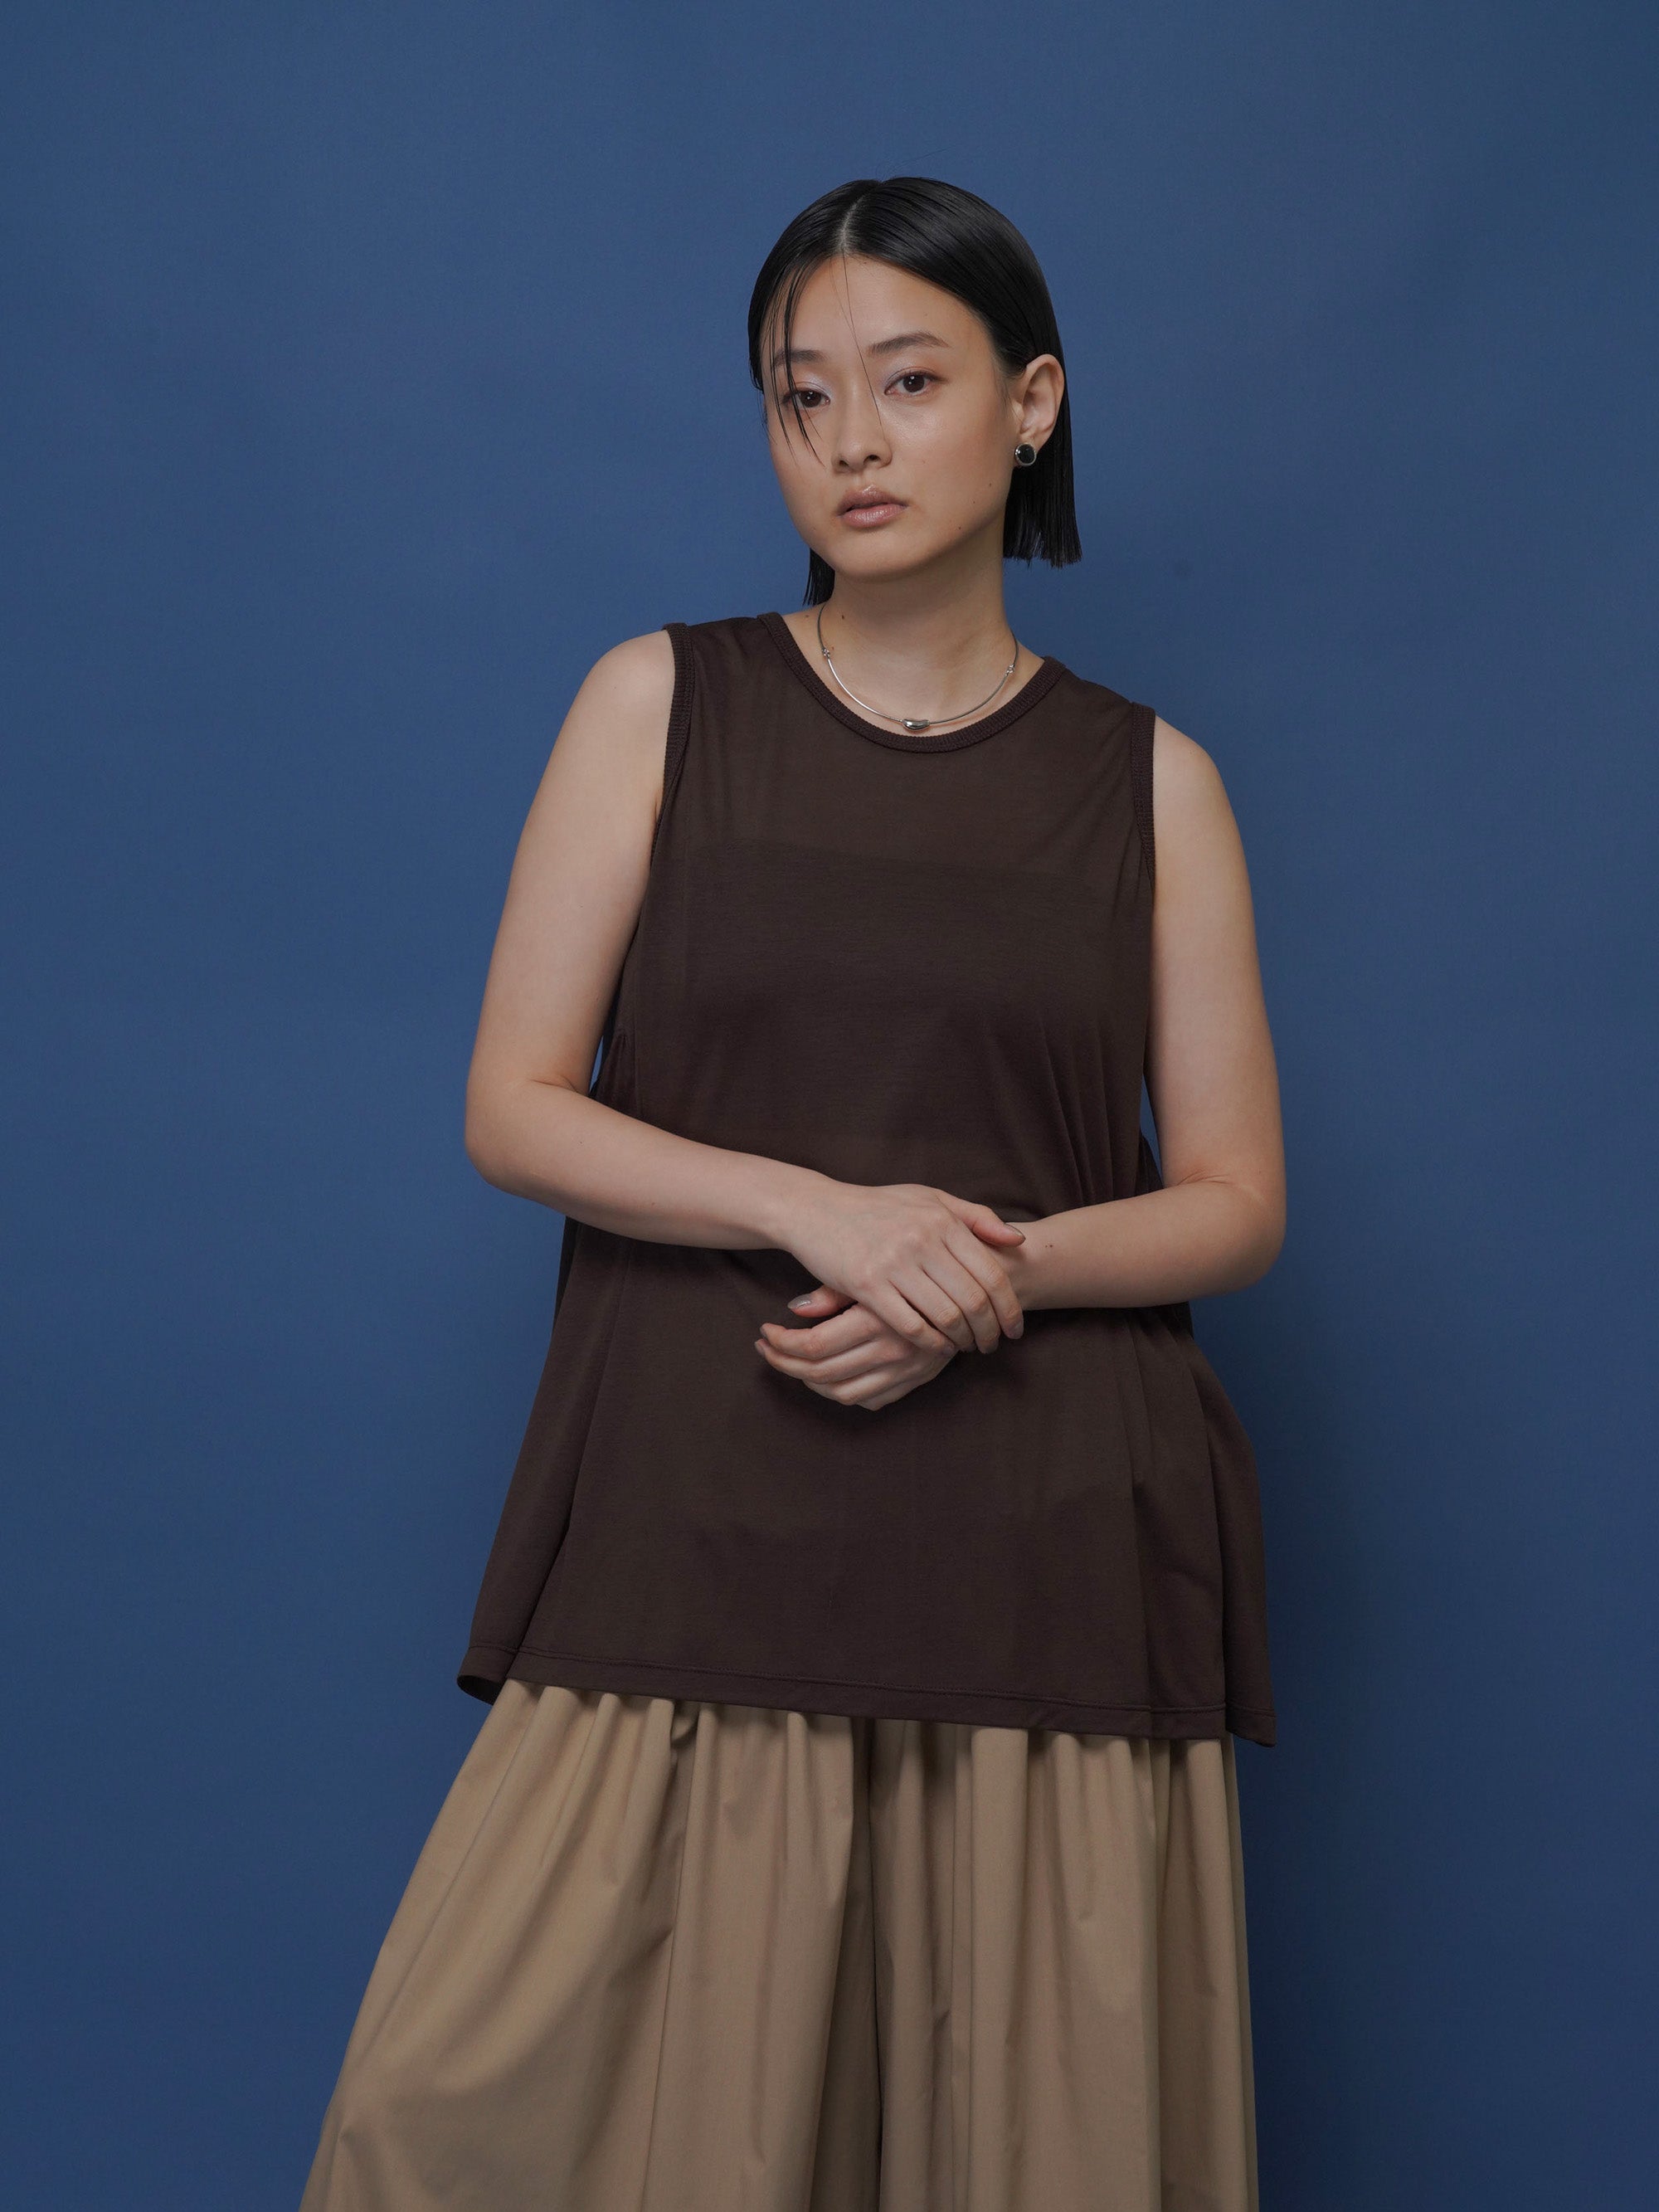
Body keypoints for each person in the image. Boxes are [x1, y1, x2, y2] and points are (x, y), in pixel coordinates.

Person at [299, 174, 1284, 2211]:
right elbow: (514, 1105)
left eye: (908, 382)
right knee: (464, 2113)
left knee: (1024, 2153)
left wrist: (973, 1271)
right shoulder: (656, 703)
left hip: (1040, 1550)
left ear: (1030, 404)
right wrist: (828, 1212)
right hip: (697, 1501)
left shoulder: (1154, 782)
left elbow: (1232, 1199)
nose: (848, 439)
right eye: (799, 393)